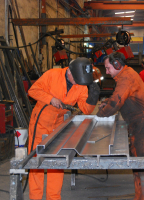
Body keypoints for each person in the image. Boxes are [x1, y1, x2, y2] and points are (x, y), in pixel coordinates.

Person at [28, 57, 100, 200]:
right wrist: (50, 99)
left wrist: (93, 97)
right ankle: (35, 197)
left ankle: (53, 197)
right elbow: (33, 90)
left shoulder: (80, 84)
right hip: (40, 123)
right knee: (36, 162)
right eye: (77, 80)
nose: (78, 84)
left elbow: (85, 109)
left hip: (59, 126)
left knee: (56, 163)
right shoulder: (52, 75)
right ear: (70, 73)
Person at [97, 52, 144, 200]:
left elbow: (115, 103)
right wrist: (107, 101)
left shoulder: (126, 77)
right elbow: (118, 98)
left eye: (108, 68)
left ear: (117, 64)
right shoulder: (125, 76)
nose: (106, 72)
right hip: (139, 127)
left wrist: (99, 115)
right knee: (138, 168)